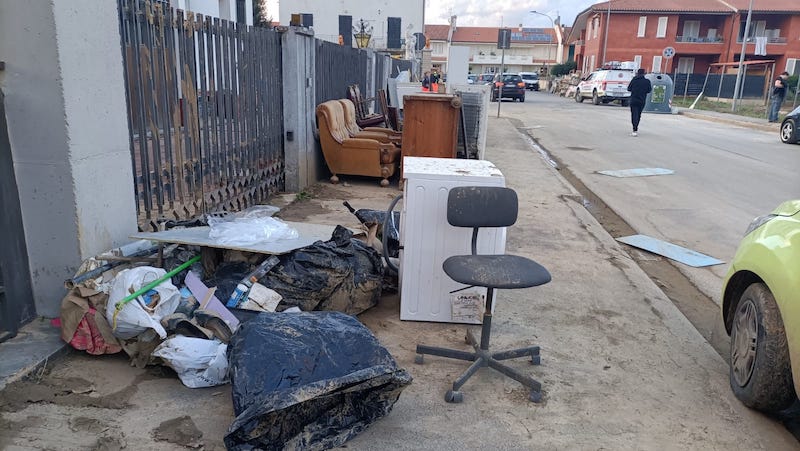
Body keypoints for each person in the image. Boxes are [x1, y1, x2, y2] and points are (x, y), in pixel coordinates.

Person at [627, 68, 652, 137]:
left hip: (633, 99)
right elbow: (649, 90)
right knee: (638, 115)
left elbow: (628, 89)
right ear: (644, 73)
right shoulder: (647, 81)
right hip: (642, 100)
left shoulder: (634, 80)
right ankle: (636, 127)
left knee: (634, 115)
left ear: (637, 73)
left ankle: (634, 130)